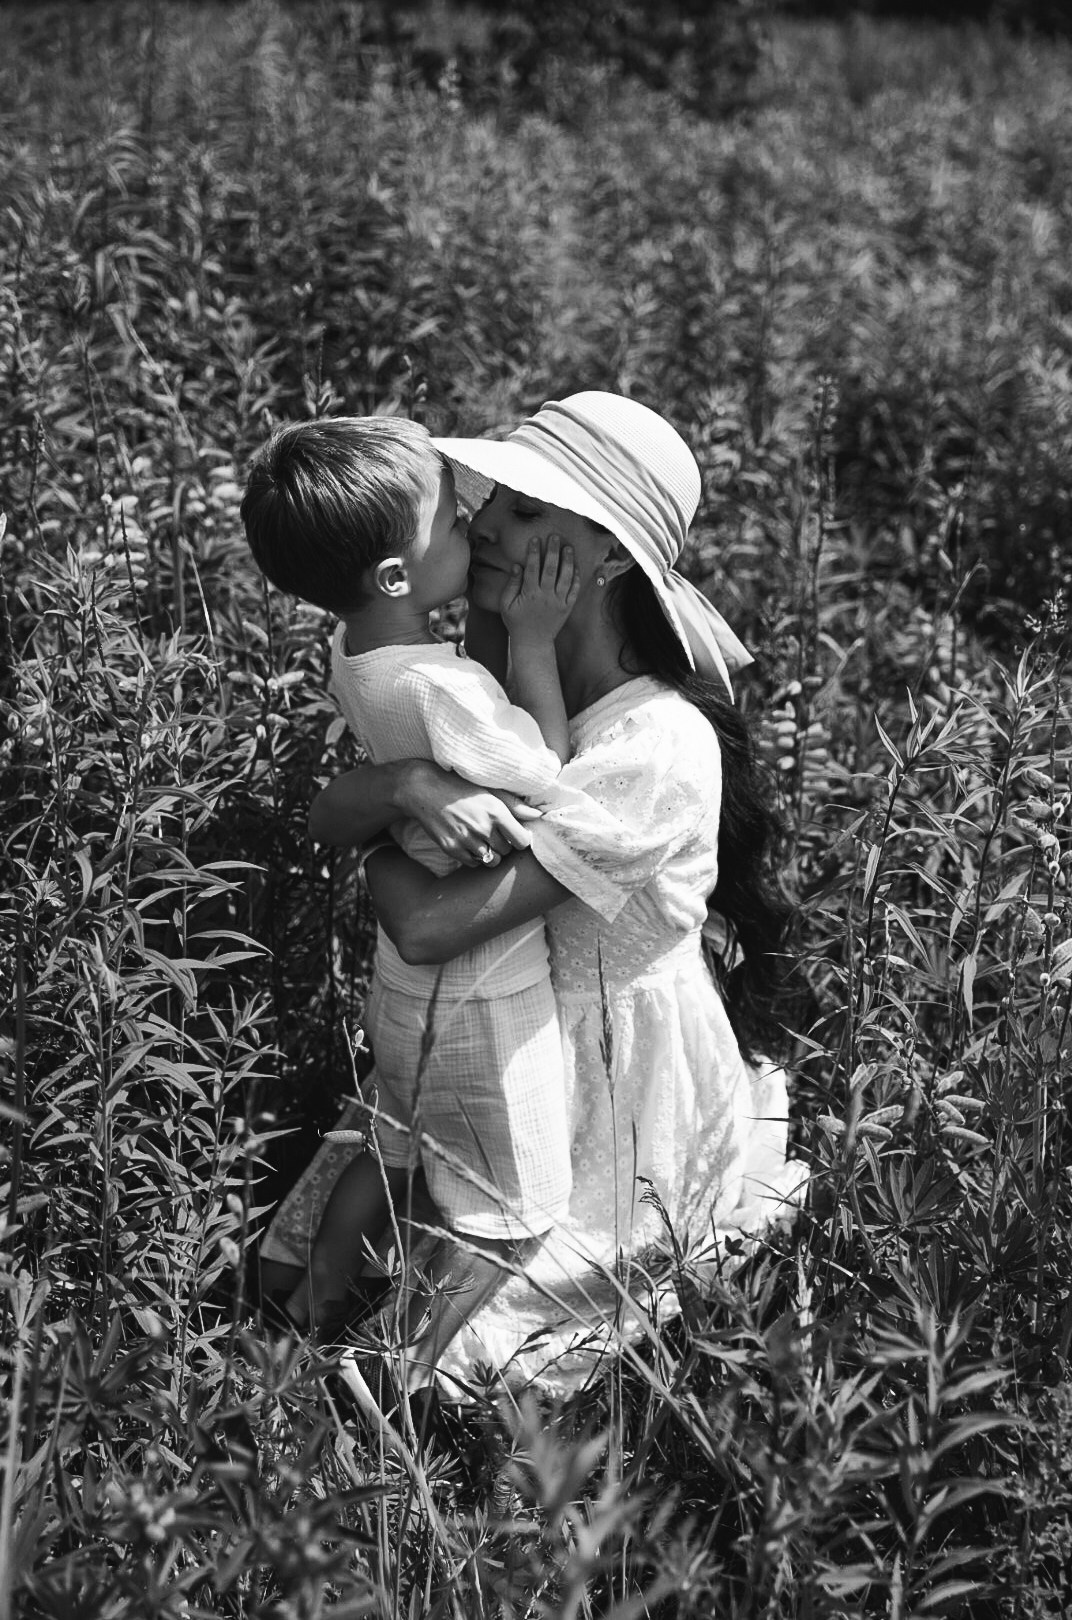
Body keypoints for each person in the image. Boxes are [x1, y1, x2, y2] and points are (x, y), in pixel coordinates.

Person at [282, 393, 806, 1393]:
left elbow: (429, 924)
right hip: (496, 1024)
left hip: (604, 1068)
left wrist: (389, 847)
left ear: (606, 558)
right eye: (494, 502)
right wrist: (404, 788)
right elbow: (333, 813)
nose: (482, 523)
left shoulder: (652, 745)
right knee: (404, 1217)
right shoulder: (473, 670)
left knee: (482, 1330)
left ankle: (373, 1410)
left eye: (527, 514)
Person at [240, 415, 585, 1334]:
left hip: (400, 986)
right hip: (483, 986)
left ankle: (313, 1294)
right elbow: (545, 770)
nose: (477, 526)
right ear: (396, 576)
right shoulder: (445, 688)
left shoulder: (356, 651)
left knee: (392, 1139)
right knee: (511, 1203)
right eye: (457, 523)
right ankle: (403, 1358)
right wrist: (538, 641)